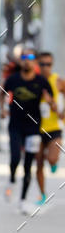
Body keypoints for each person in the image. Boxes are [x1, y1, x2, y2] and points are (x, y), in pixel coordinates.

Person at [0, 48, 56, 212]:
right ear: (20, 60)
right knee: (15, 157)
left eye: (30, 57)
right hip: (15, 126)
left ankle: (23, 199)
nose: (26, 60)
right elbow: (2, 94)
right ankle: (11, 179)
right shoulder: (13, 79)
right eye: (23, 57)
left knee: (28, 164)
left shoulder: (41, 81)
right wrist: (2, 109)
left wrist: (49, 101)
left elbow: (52, 104)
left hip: (33, 127)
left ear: (35, 61)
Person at [36, 51, 65, 204]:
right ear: (38, 65)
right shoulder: (34, 81)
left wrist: (61, 111)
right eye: (42, 64)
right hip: (36, 128)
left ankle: (53, 163)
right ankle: (42, 195)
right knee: (38, 162)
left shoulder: (58, 81)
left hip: (54, 127)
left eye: (49, 64)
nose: (46, 67)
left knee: (51, 158)